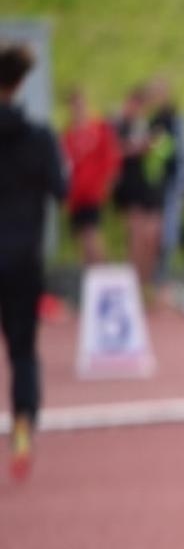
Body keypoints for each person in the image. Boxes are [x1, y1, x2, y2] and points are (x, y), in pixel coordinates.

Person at [0, 43, 67, 482]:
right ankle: (23, 426)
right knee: (22, 350)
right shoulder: (39, 136)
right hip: (22, 256)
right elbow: (61, 189)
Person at [61, 86, 121, 266]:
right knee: (81, 238)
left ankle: (101, 273)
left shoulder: (98, 128)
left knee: (92, 234)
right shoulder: (69, 135)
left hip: (93, 191)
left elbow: (111, 156)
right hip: (76, 194)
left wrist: (108, 182)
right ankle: (89, 278)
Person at [109, 84, 163, 285]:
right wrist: (137, 148)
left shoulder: (147, 125)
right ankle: (134, 282)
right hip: (129, 188)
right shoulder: (119, 125)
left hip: (147, 187)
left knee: (150, 238)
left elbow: (160, 150)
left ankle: (145, 281)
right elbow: (115, 150)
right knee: (135, 236)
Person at [145, 77, 184, 286]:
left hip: (174, 180)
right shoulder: (153, 120)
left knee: (171, 226)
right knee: (168, 226)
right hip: (159, 183)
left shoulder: (176, 119)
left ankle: (169, 272)